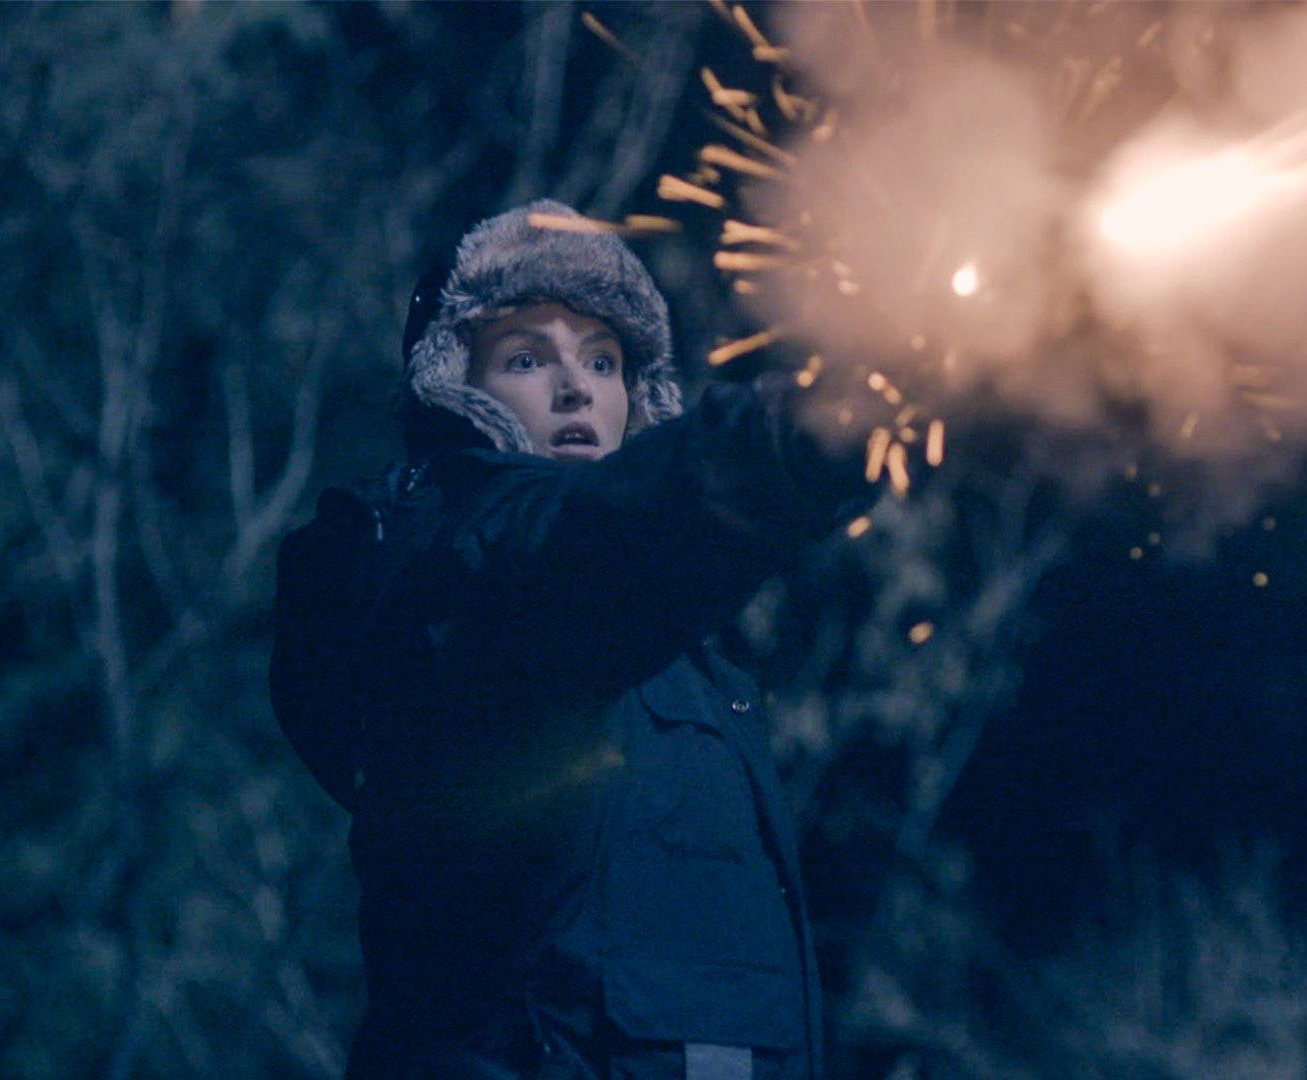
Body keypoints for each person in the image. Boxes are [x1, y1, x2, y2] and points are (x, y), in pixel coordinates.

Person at [271, 200, 876, 1079]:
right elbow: (575, 542)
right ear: (454, 388)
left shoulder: (683, 657)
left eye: (603, 360)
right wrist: (787, 434)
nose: (577, 389)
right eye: (526, 358)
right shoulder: (462, 577)